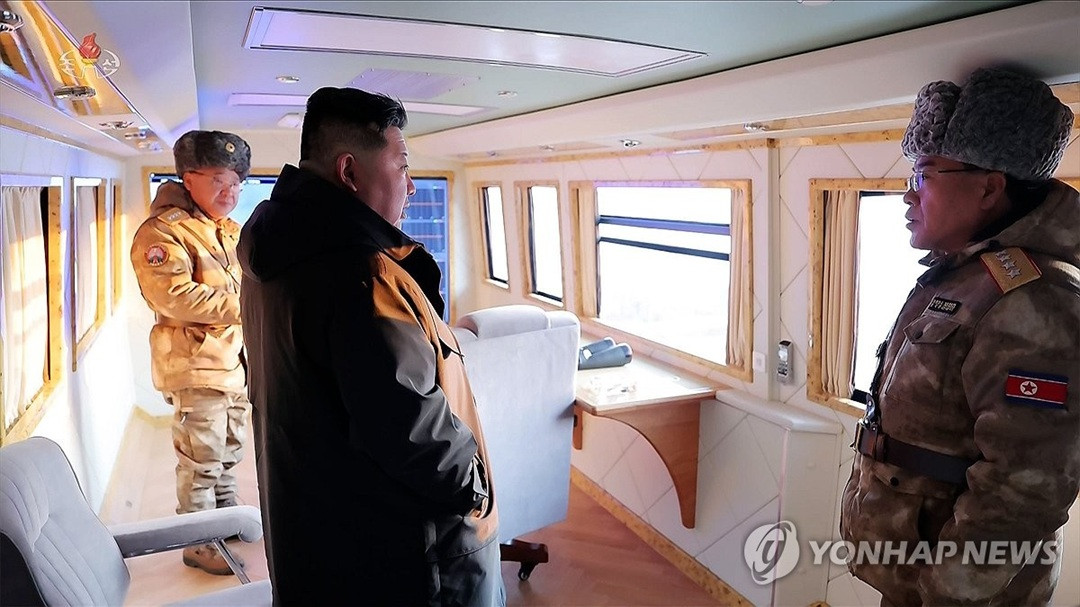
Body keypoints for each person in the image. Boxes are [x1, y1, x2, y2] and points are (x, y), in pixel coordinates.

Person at [237, 87, 503, 606]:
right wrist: (476, 486)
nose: (411, 185)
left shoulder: (273, 249)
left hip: (322, 535)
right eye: (401, 165)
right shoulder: (364, 277)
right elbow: (414, 433)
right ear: (349, 171)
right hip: (407, 558)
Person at [841, 66, 1079, 605]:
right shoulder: (967, 275)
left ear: (989, 186)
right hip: (915, 569)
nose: (908, 195)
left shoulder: (1034, 300)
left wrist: (948, 593)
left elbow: (1024, 487)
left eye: (924, 175)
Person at [130, 130, 253, 576]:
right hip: (194, 364)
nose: (230, 192)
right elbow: (175, 297)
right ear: (188, 178)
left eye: (236, 183)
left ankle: (224, 516)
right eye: (219, 180)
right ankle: (198, 542)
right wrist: (249, 306)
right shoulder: (163, 232)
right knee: (201, 457)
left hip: (232, 363)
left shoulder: (226, 230)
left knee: (229, 447)